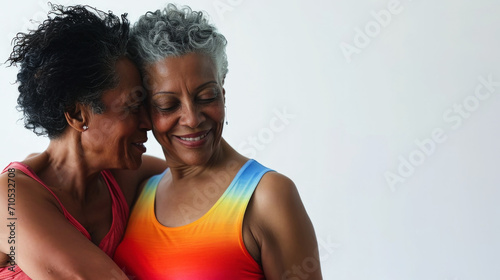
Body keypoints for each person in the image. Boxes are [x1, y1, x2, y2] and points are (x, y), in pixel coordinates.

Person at [114, 4, 322, 279]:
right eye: (167, 104)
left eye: (207, 96)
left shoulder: (267, 197)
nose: (192, 118)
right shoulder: (140, 190)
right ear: (143, 108)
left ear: (223, 91)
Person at [0, 4, 166, 279]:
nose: (148, 122)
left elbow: (206, 178)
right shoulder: (10, 197)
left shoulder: (126, 179)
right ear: (78, 114)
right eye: (132, 107)